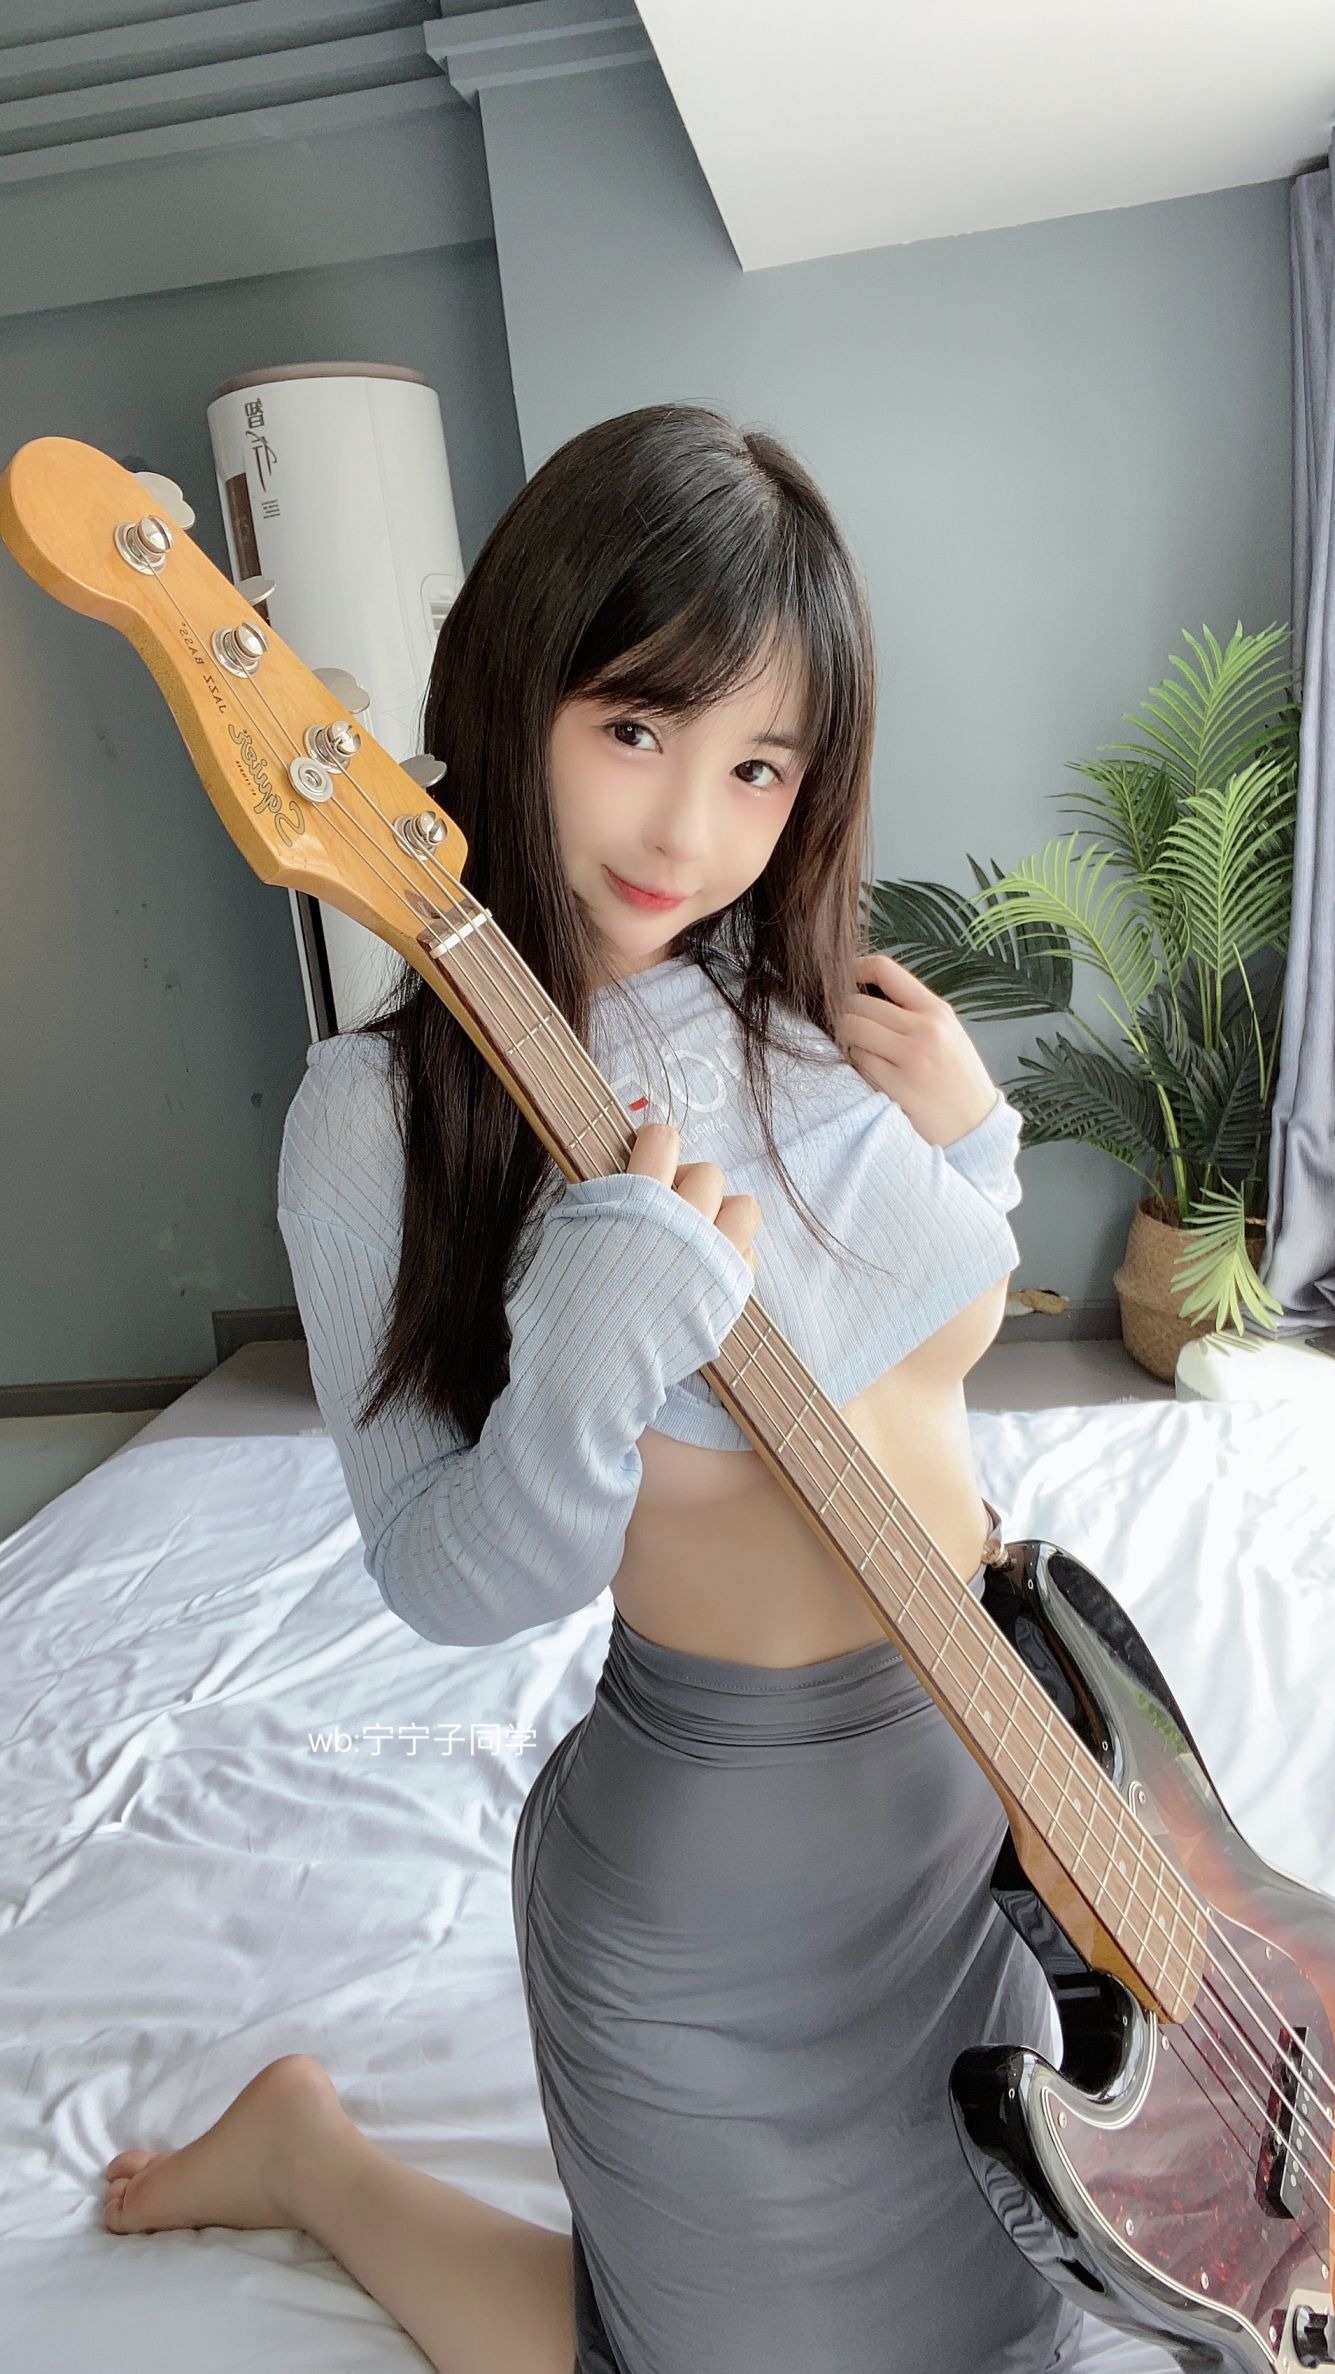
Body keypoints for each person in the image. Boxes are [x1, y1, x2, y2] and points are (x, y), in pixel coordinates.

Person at [99, 403, 1083, 2374]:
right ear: (515, 677)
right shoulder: (375, 1120)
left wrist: (975, 1151)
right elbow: (446, 1575)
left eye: (756, 764)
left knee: (1013, 2323)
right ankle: (315, 2160)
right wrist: (580, 1363)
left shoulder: (795, 1003)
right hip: (711, 1894)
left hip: (980, 1805)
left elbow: (915, 1359)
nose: (685, 831)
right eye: (634, 727)